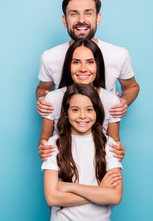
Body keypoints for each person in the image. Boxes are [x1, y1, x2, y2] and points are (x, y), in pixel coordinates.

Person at [36, 0, 139, 118]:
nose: (81, 20)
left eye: (88, 13)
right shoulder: (49, 56)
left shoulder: (119, 54)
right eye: (73, 14)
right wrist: (42, 100)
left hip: (105, 135)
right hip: (62, 135)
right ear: (64, 20)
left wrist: (123, 102)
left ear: (98, 18)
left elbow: (131, 86)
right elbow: (42, 88)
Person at [42, 83, 123, 221]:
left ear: (97, 112)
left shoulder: (109, 144)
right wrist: (99, 192)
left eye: (89, 109)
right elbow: (52, 198)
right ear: (66, 113)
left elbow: (114, 197)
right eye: (75, 110)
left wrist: (69, 187)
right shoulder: (54, 144)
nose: (82, 116)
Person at [39, 39, 125, 162]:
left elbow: (115, 144)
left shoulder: (111, 101)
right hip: (63, 169)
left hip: (99, 169)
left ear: (98, 65)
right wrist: (44, 149)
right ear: (69, 65)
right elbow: (44, 141)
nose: (83, 69)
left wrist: (118, 151)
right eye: (76, 62)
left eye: (90, 62)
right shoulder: (53, 99)